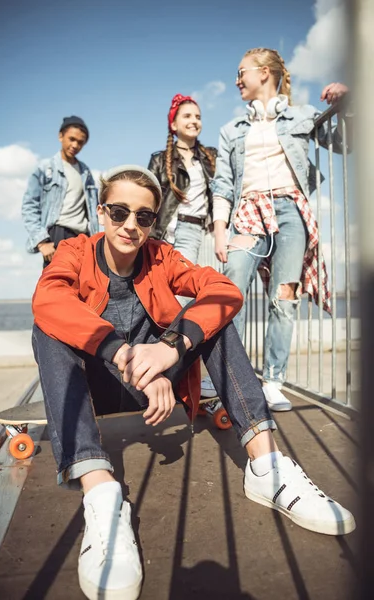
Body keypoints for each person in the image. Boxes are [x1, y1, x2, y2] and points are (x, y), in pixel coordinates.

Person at [32, 165, 355, 600]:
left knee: (212, 317)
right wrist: (123, 354)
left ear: (154, 223)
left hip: (159, 375)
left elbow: (222, 289)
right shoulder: (75, 251)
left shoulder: (163, 257)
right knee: (48, 327)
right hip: (101, 385)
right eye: (119, 211)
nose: (130, 225)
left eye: (143, 217)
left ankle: (267, 467)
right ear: (101, 211)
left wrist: (170, 350)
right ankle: (102, 493)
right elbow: (49, 299)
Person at [212, 47, 351, 412]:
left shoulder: (302, 116)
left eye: (242, 71)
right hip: (248, 211)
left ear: (264, 72)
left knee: (284, 298)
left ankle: (273, 381)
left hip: (291, 211)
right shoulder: (232, 130)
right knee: (232, 291)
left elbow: (344, 144)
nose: (237, 79)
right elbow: (223, 184)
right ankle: (232, 377)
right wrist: (220, 229)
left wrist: (346, 105)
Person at [148, 93, 218, 398]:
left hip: (192, 230)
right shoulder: (159, 158)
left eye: (198, 116)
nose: (194, 121)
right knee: (160, 298)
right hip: (162, 232)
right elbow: (150, 194)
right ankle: (163, 369)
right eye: (187, 116)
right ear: (173, 124)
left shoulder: (211, 156)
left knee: (182, 299)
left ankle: (180, 372)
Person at [22, 115, 99, 268]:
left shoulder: (85, 173)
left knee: (83, 286)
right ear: (60, 136)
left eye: (80, 142)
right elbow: (29, 206)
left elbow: (93, 209)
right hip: (58, 235)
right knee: (56, 286)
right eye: (72, 139)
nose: (75, 145)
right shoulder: (45, 169)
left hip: (83, 237)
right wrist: (42, 242)